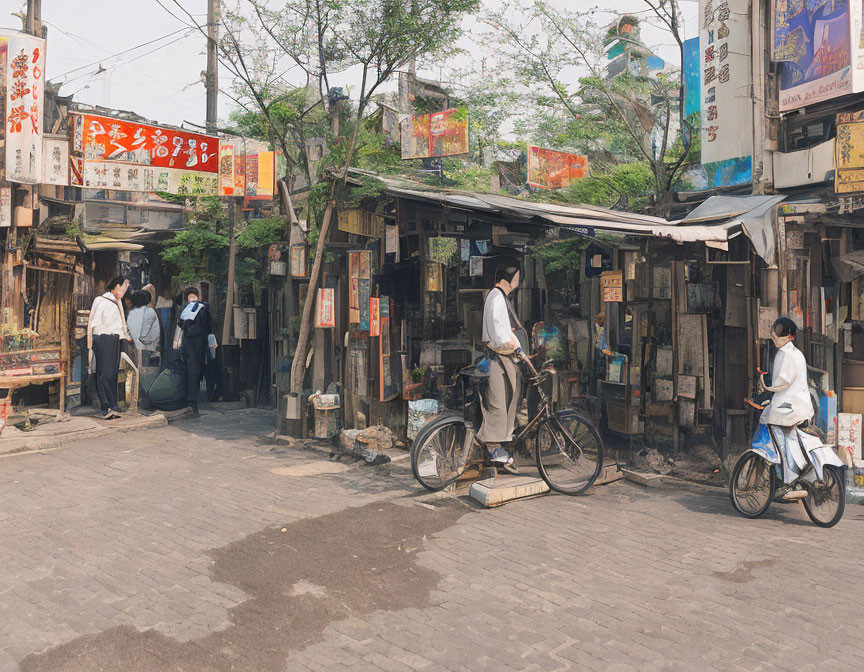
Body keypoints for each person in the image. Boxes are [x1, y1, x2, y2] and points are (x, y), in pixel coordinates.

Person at [753, 317, 814, 493]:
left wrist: (765, 387)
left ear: (789, 336)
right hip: (801, 406)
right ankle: (798, 472)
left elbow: (781, 384)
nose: (774, 339)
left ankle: (787, 482)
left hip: (787, 407)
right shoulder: (797, 353)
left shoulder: (784, 354)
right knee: (789, 438)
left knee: (777, 436)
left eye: (776, 335)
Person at [477, 262, 528, 471]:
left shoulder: (497, 296)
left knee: (506, 398)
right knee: (499, 401)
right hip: (499, 357)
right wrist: (516, 349)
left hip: (500, 355)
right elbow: (499, 335)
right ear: (507, 278)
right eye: (516, 277)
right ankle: (494, 449)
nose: (518, 281)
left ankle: (499, 447)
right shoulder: (497, 298)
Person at [87, 276, 131, 419]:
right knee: (104, 374)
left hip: (114, 339)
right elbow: (94, 324)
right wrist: (92, 344)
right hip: (103, 338)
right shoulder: (101, 300)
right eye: (124, 288)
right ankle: (105, 406)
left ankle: (113, 405)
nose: (125, 292)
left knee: (112, 374)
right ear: (117, 286)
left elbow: (121, 324)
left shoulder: (118, 302)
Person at [174, 287, 217, 418]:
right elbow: (208, 327)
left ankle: (189, 403)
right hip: (198, 348)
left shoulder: (185, 310)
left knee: (190, 374)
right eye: (190, 298)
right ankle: (193, 404)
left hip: (188, 347)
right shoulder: (202, 310)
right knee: (195, 374)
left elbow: (180, 326)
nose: (191, 300)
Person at [127, 290, 161, 368]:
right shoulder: (148, 311)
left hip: (139, 348)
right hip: (143, 348)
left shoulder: (134, 313)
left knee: (139, 371)